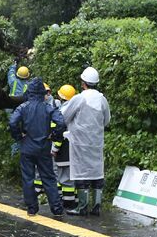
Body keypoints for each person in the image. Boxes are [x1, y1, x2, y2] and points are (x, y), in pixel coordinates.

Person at [9, 77, 65, 217]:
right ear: (42, 93)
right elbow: (61, 123)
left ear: (30, 92)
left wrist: (18, 137)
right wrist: (54, 136)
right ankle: (56, 209)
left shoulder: (23, 107)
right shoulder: (48, 107)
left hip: (27, 145)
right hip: (44, 146)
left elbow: (12, 122)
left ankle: (32, 208)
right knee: (49, 177)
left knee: (28, 178)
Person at [63, 67, 111, 216]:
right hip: (96, 142)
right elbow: (107, 120)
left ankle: (82, 207)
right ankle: (96, 207)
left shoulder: (79, 98)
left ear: (83, 83)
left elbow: (65, 116)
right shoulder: (102, 99)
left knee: (81, 174)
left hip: (79, 142)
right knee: (97, 173)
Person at [51, 84, 77, 209]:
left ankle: (68, 203)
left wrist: (54, 149)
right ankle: (73, 200)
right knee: (71, 178)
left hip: (64, 151)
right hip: (76, 149)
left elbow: (58, 134)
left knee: (65, 179)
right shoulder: (77, 110)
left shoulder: (61, 112)